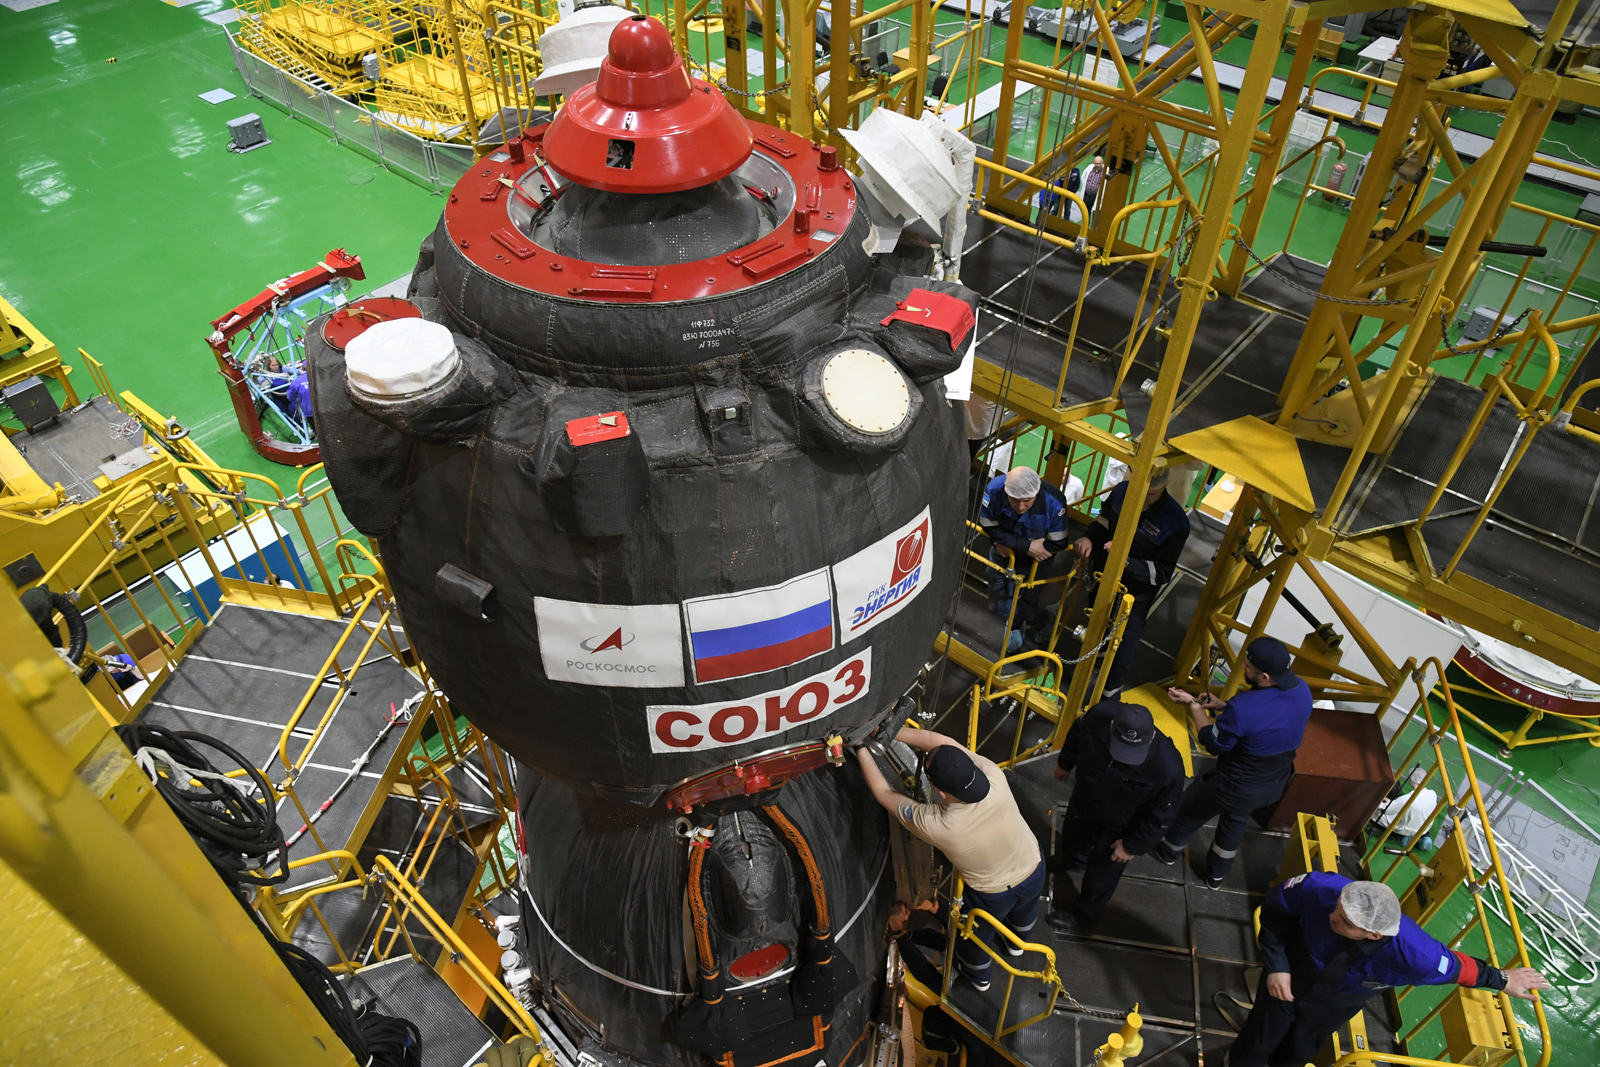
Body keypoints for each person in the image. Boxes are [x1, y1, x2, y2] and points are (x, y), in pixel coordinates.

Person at [1233, 873, 1549, 1067]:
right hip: (1288, 977)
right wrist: (1276, 966)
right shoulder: (1320, 888)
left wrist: (1502, 979)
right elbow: (1274, 911)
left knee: (1297, 1052)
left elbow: (1457, 968)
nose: (1332, 916)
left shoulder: (1416, 956)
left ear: (1373, 935)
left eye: (1344, 921)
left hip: (1332, 1006)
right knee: (1256, 1039)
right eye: (1337, 908)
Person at [858, 727, 1044, 991]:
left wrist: (859, 746)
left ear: (941, 793)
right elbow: (938, 740)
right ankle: (1016, 944)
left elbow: (883, 793)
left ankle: (979, 977)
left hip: (991, 895)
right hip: (1033, 865)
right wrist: (888, 729)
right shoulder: (993, 775)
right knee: (1024, 913)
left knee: (973, 939)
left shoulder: (939, 824)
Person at [1153, 636, 1312, 888]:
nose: (1244, 670)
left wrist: (1194, 706)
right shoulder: (1302, 690)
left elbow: (1215, 744)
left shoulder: (1243, 708)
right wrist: (1224, 706)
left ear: (1265, 677)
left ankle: (1168, 851)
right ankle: (1215, 876)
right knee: (1235, 820)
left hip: (1234, 785)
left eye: (1248, 667)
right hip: (1273, 785)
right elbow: (1267, 719)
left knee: (1192, 809)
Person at [1045, 701, 1184, 937]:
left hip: (1120, 827)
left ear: (1151, 736)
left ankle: (1084, 915)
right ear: (1112, 726)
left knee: (1102, 877)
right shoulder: (1099, 715)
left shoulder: (1168, 767)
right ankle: (1073, 860)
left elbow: (1163, 815)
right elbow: (1077, 734)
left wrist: (1131, 846)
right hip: (1085, 801)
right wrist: (1065, 762)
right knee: (1073, 836)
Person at [1074, 469, 1190, 695]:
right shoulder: (1122, 491)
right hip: (1104, 574)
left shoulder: (1175, 523)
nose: (1142, 498)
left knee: (1125, 640)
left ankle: (1110, 691)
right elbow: (1105, 519)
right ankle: (1097, 652)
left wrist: (1126, 561)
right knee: (1097, 614)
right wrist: (1089, 537)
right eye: (1139, 490)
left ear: (1163, 488)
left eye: (1150, 494)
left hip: (1135, 592)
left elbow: (1162, 572)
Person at [980, 466, 1071, 651]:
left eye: (1027, 501)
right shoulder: (995, 489)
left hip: (1037, 561)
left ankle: (1021, 625)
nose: (1021, 507)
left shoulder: (1054, 501)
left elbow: (1059, 542)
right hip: (1004, 553)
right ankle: (1040, 620)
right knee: (998, 602)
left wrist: (1011, 543)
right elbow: (987, 525)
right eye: (1014, 500)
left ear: (1036, 493)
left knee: (1028, 603)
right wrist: (1026, 546)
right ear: (1006, 491)